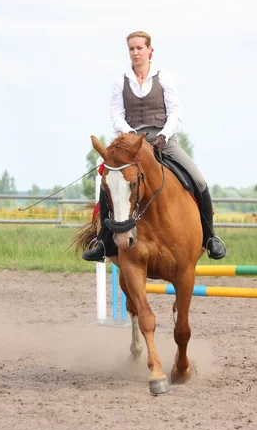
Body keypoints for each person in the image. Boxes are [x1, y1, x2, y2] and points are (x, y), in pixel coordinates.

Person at [83, 30, 227, 262]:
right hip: (131, 143)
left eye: (140, 48)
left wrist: (163, 135)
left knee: (199, 180)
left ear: (150, 51)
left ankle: (210, 238)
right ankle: (103, 241)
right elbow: (116, 115)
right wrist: (130, 135)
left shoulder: (164, 77)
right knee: (109, 181)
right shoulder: (121, 81)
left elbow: (175, 111)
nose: (135, 53)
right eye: (131, 49)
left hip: (163, 139)